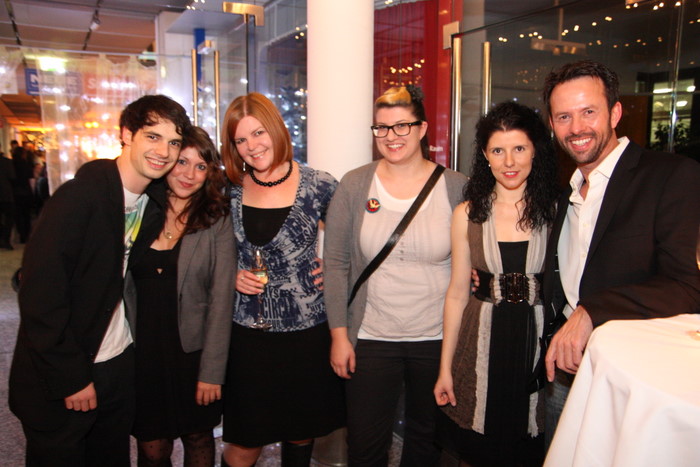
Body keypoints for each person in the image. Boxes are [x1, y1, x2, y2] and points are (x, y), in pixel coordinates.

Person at [8, 94, 190, 467]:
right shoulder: (79, 198)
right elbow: (40, 298)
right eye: (152, 136)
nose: (164, 151)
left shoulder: (151, 205)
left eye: (173, 142)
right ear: (126, 134)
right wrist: (70, 377)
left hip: (117, 362)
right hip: (68, 367)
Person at [541, 60, 700, 446]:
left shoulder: (670, 175)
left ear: (615, 113)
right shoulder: (566, 192)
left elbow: (686, 286)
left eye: (588, 112)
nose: (576, 128)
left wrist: (592, 311)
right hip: (565, 371)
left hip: (631, 380)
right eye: (564, 116)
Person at [325, 85, 468, 467]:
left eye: (402, 125)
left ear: (423, 128)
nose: (392, 136)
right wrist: (339, 335)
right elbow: (336, 263)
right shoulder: (355, 184)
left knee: (426, 443)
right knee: (365, 446)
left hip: (436, 338)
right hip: (371, 336)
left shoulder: (456, 186)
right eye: (382, 127)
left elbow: (474, 256)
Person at [219, 92, 344, 467]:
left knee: (300, 432)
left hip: (306, 333)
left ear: (276, 129)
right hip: (247, 334)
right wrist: (229, 276)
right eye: (241, 139)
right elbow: (204, 252)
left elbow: (357, 238)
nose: (252, 146)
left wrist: (336, 267)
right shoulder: (229, 189)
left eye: (258, 133)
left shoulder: (319, 184)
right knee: (243, 443)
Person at [433, 102, 559, 466]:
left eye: (519, 148)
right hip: (480, 342)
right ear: (486, 156)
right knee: (479, 451)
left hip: (537, 347)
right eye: (498, 151)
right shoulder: (467, 214)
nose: (509, 161)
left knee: (532, 450)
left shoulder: (557, 211)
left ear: (535, 150)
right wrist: (445, 368)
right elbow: (457, 294)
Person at [125, 126, 235, 467]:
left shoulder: (216, 219)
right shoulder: (139, 211)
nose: (190, 174)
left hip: (194, 355)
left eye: (201, 166)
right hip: (142, 353)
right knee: (151, 446)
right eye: (182, 162)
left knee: (198, 437)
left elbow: (221, 301)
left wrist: (212, 372)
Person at [10, 139, 33, 243]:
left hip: (15, 192)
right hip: (25, 191)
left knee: (18, 215)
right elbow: (30, 178)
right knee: (26, 214)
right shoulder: (25, 164)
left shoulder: (12, 164)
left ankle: (21, 234)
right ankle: (27, 234)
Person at [0, 144, 15, 249]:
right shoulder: (6, 162)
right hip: (6, 193)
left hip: (5, 193)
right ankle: (6, 239)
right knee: (9, 218)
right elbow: (12, 177)